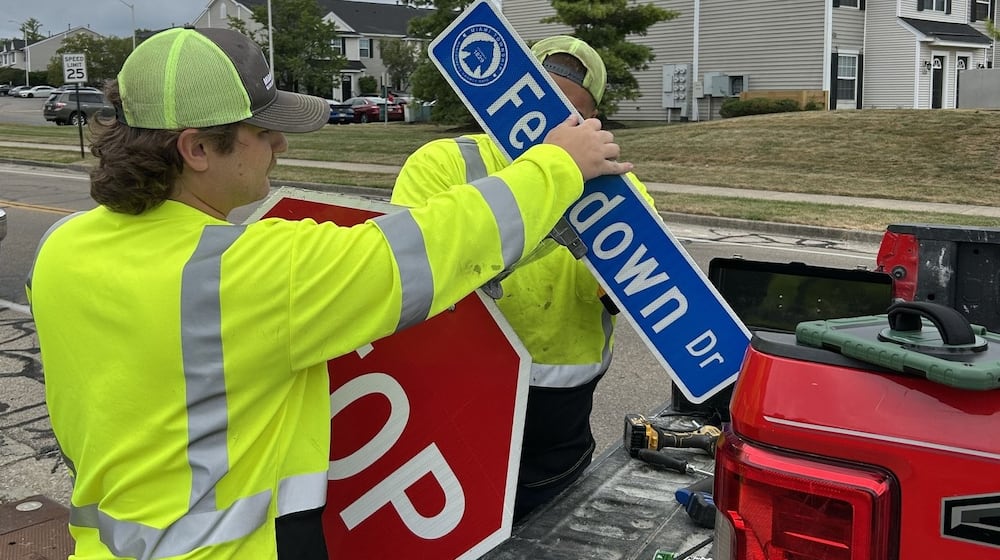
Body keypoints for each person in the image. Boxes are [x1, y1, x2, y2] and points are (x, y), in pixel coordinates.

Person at [26, 27, 631, 560]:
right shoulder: (247, 275)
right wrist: (558, 165)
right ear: (197, 148)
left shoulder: (61, 249)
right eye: (264, 131)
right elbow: (435, 247)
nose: (281, 146)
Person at [391, 35, 657, 522]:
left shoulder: (621, 188)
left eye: (573, 115)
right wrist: (551, 211)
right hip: (453, 395)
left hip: (557, 422)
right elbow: (415, 276)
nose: (557, 126)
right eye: (543, 101)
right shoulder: (445, 163)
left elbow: (638, 294)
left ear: (593, 121)